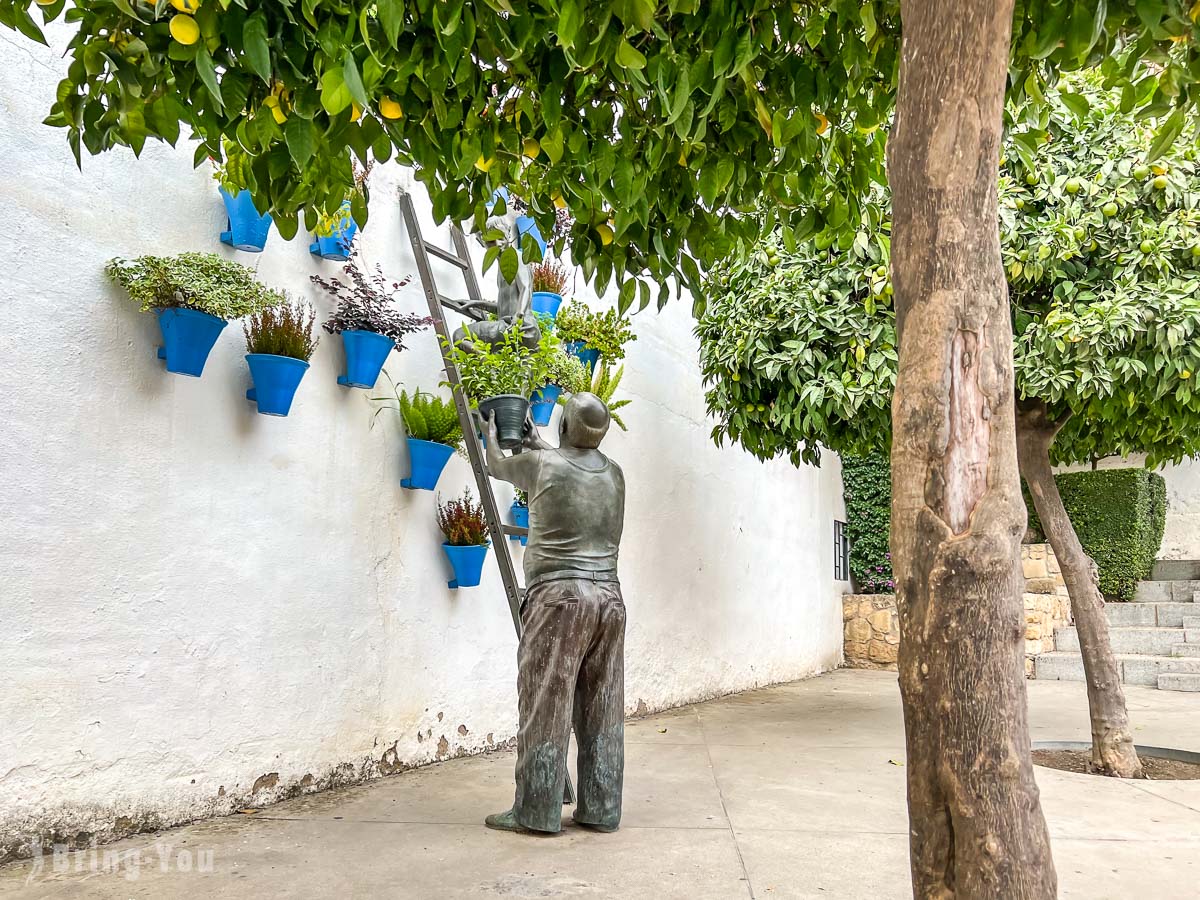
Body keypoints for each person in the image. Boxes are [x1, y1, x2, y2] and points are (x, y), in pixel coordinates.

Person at [482, 393, 627, 834]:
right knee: (602, 707)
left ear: (564, 427)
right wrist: (541, 442)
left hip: (560, 597)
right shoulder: (615, 474)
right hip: (610, 600)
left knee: (546, 699)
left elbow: (495, 465)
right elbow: (575, 464)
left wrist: (491, 432)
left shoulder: (543, 466)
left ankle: (536, 810)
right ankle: (601, 809)